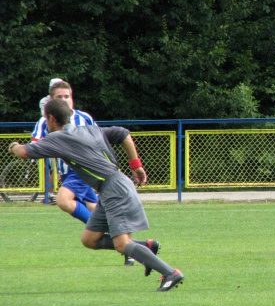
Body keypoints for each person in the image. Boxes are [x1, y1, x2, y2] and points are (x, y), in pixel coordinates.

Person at [9, 98, 184, 292]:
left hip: (114, 188)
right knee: (90, 239)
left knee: (121, 244)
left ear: (50, 118)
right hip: (111, 187)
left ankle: (170, 273)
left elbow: (24, 152)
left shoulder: (58, 138)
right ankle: (146, 248)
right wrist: (136, 165)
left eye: (45, 119)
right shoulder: (89, 129)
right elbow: (124, 134)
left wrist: (13, 146)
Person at [32, 79, 138, 266]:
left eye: (67, 96)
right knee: (97, 210)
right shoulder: (45, 121)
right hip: (69, 174)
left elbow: (98, 140)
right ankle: (128, 248)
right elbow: (35, 144)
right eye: (59, 97)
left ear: (72, 98)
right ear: (50, 100)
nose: (64, 100)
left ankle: (110, 237)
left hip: (82, 170)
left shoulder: (84, 118)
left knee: (64, 200)